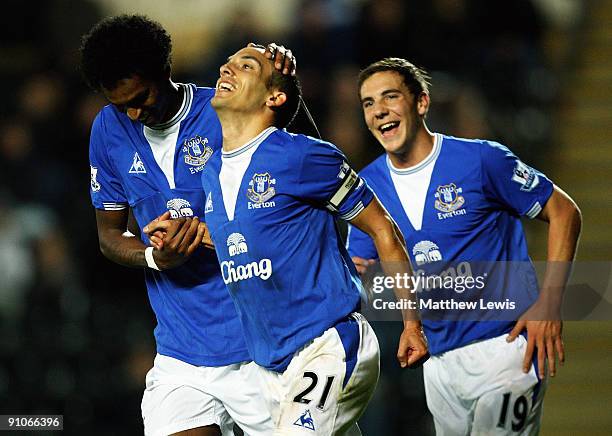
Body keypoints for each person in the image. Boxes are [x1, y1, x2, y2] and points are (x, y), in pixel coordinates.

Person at [146, 45, 428, 435]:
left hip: (328, 345)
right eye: (228, 63)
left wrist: (412, 323)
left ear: (274, 97)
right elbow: (246, 237)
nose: (227, 68)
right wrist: (183, 234)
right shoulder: (212, 172)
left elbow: (384, 229)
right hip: (269, 366)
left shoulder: (302, 157)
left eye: (246, 66)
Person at [80, 15, 295, 436]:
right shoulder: (108, 129)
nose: (133, 113)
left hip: (264, 347)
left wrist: (286, 91)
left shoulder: (225, 109)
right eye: (121, 103)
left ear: (165, 70)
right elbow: (108, 234)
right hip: (183, 356)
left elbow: (303, 181)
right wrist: (154, 257)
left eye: (140, 97)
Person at [348, 58, 582, 435]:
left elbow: (564, 212)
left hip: (506, 349)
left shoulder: (481, 160)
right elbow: (360, 268)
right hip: (438, 363)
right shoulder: (367, 186)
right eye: (369, 103)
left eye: (390, 97)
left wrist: (550, 302)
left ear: (421, 103)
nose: (379, 111)